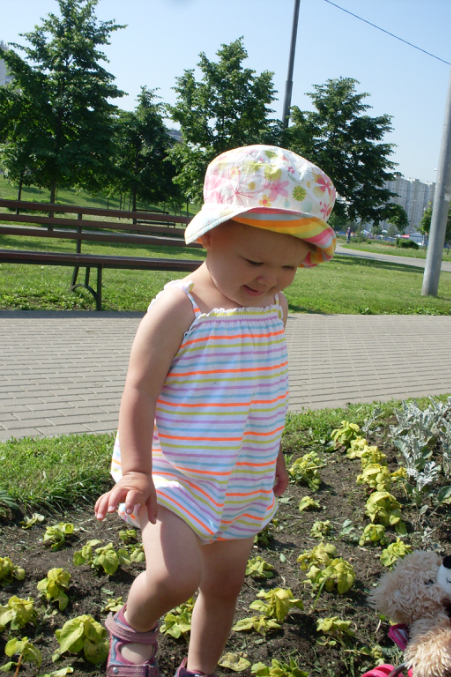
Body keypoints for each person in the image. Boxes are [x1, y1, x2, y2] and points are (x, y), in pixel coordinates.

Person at [95, 144, 336, 677]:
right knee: (175, 577)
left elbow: (262, 388)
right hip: (173, 471)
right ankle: (132, 626)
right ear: (208, 235)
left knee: (224, 587)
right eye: (254, 261)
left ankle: (200, 668)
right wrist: (135, 471)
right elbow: (139, 389)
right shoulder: (180, 306)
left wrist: (273, 453)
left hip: (243, 472)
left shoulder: (275, 306)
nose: (269, 278)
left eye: (288, 266)